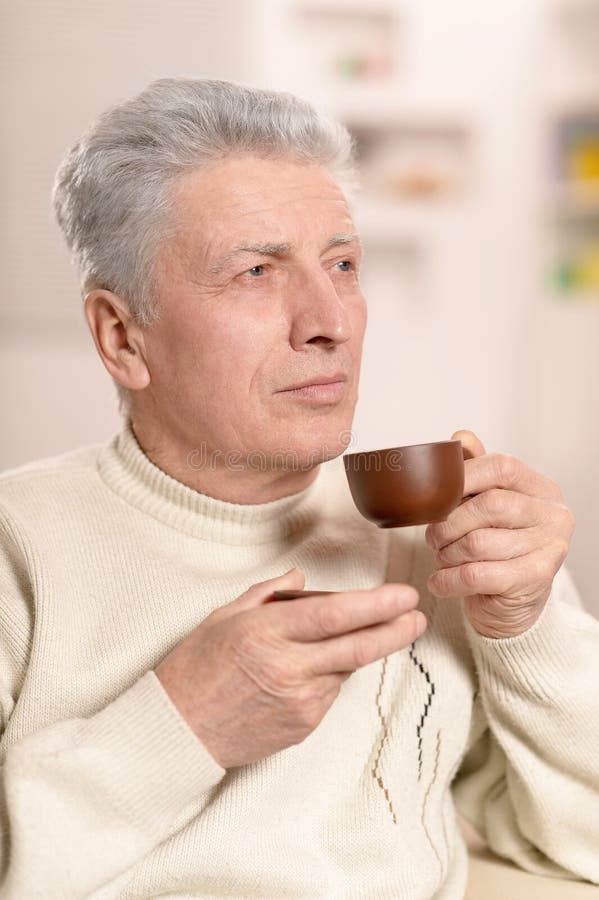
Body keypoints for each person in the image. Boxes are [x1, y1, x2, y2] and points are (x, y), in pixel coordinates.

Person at [0, 78, 597, 900]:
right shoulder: (17, 545)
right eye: (254, 271)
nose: (331, 321)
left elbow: (581, 844)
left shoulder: (437, 542)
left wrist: (525, 631)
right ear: (121, 335)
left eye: (343, 264)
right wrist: (185, 725)